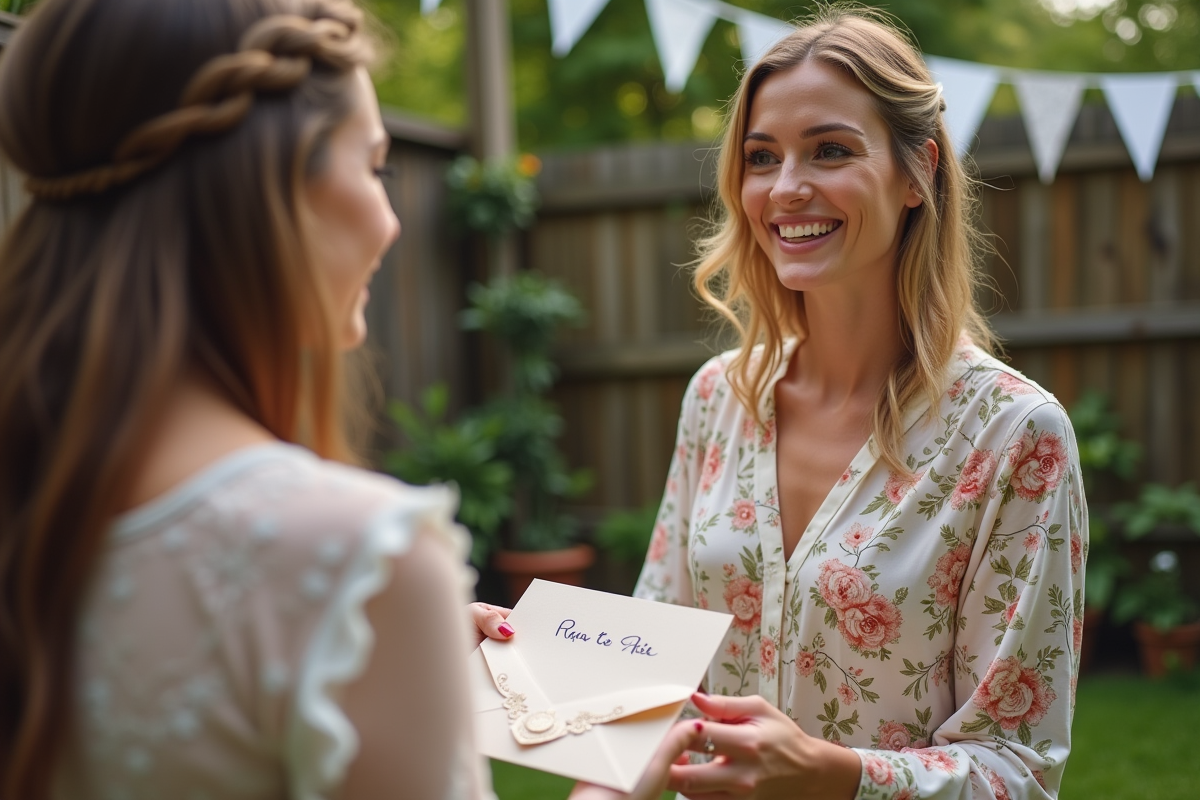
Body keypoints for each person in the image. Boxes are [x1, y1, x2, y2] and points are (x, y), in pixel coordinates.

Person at [0, 1, 699, 798]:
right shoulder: (362, 561)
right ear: (271, 188)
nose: (393, 221)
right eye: (375, 168)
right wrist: (608, 786)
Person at [633, 8, 1088, 800]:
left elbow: (1016, 770)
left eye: (831, 151)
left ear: (918, 173)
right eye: (761, 157)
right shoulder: (718, 398)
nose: (787, 188)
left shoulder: (1016, 435)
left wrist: (831, 776)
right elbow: (655, 663)